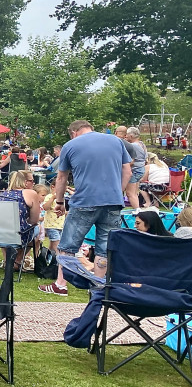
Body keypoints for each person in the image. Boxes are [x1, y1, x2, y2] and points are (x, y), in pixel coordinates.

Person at [45, 120, 132, 296]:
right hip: (112, 202)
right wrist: (118, 192)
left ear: (74, 132)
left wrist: (60, 202)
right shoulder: (116, 141)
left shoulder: (71, 145)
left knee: (67, 246)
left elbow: (61, 177)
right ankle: (98, 288)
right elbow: (128, 171)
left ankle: (61, 284)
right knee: (104, 247)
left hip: (85, 201)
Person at [0, 170, 42, 270]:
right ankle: (17, 261)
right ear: (25, 182)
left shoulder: (4, 193)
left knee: (5, 226)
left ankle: (7, 260)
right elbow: (34, 220)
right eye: (32, 181)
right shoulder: (30, 193)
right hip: (18, 235)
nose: (34, 183)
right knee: (36, 228)